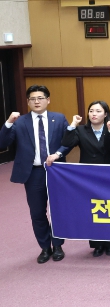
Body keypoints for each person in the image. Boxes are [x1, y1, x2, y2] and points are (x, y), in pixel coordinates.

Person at [0, 85, 70, 264]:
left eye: (40, 98)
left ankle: (58, 245)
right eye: (33, 99)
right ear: (28, 102)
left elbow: (69, 141)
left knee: (57, 210)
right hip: (33, 173)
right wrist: (8, 123)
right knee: (37, 212)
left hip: (55, 171)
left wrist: (58, 154)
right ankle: (45, 247)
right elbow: (2, 143)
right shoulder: (20, 122)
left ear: (48, 100)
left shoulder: (59, 118)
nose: (37, 101)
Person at [61, 100, 110, 257]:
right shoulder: (81, 130)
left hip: (108, 176)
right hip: (88, 177)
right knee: (93, 210)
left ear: (105, 114)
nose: (94, 114)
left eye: (98, 111)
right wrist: (72, 124)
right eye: (91, 111)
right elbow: (66, 142)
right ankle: (96, 244)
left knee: (109, 209)